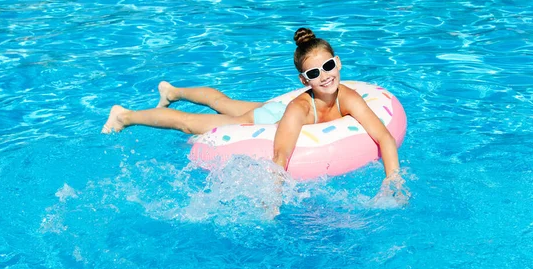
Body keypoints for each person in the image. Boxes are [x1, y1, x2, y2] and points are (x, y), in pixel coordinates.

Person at [102, 28, 402, 185]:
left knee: (224, 103)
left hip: (277, 112)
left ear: (337, 62)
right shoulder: (299, 108)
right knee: (190, 125)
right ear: (303, 80)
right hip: (269, 119)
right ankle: (125, 115)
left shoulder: (349, 96)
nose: (324, 76)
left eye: (327, 66)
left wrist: (393, 179)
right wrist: (273, 196)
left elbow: (384, 137)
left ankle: (172, 90)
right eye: (314, 73)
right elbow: (281, 154)